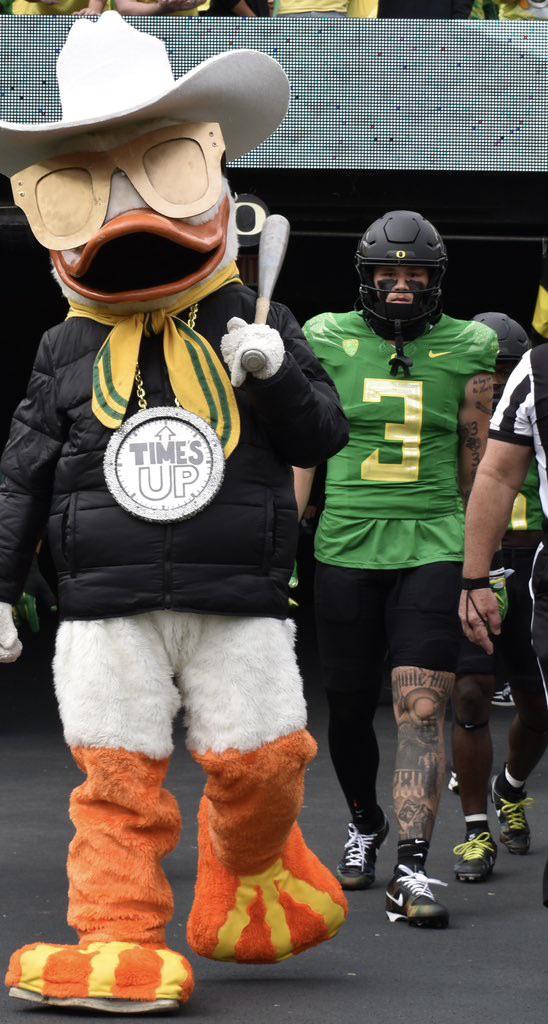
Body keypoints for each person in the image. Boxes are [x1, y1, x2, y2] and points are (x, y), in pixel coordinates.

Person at [0, 13, 348, 1012]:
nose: (131, 218)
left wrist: (272, 379)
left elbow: (321, 438)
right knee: (117, 783)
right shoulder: (63, 349)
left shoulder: (256, 320)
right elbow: (24, 472)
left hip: (238, 591)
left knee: (265, 765)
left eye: (161, 173)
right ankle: (115, 939)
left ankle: (249, 864)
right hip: (106, 601)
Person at [295, 210, 498, 928]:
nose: (403, 285)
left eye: (416, 274)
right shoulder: (325, 336)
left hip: (434, 541)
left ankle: (411, 870)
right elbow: (305, 444)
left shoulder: (471, 345)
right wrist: (284, 534)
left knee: (421, 705)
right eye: (390, 272)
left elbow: (480, 464)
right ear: (367, 278)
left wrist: (480, 568)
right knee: (347, 706)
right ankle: (364, 821)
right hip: (346, 542)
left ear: (436, 280)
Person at [451, 314, 546, 883]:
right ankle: (474, 828)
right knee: (470, 692)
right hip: (476, 561)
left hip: (533, 558)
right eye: (488, 373)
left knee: (539, 711)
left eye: (506, 369)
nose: (498, 382)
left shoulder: (529, 402)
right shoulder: (453, 414)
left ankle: (509, 786)